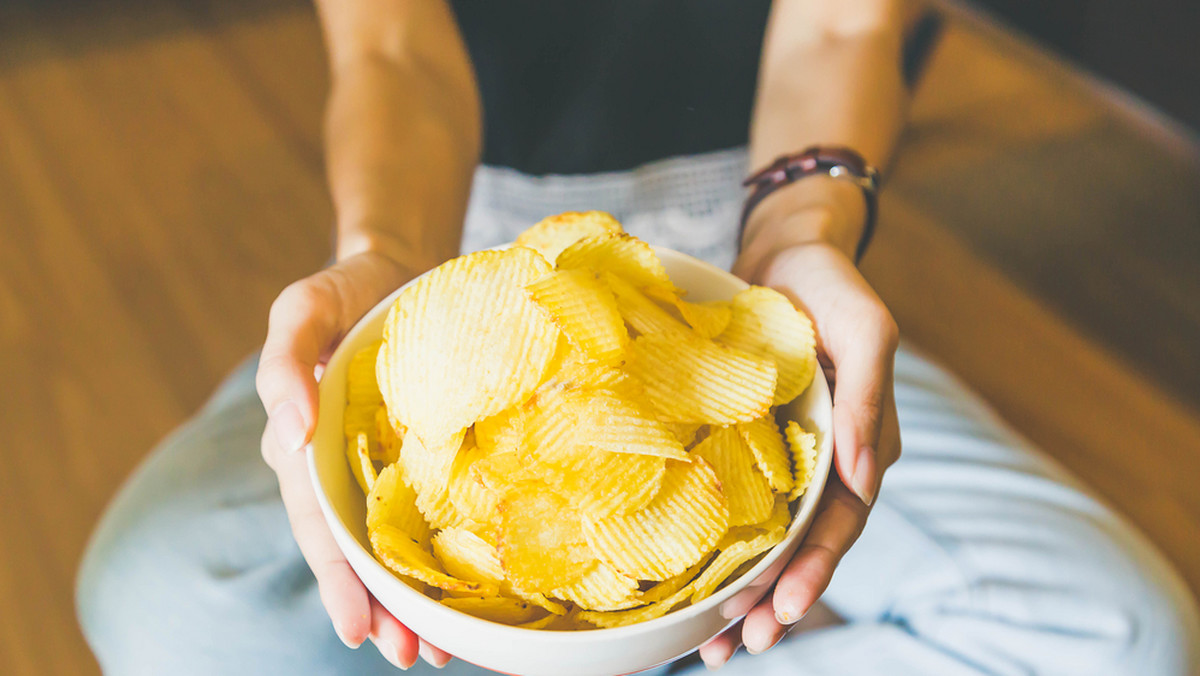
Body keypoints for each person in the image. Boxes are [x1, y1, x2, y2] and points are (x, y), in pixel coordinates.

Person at [76, 1, 1200, 674]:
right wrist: (381, 262)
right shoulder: (432, 306)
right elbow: (391, 54)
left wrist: (798, 239)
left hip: (749, 298)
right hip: (451, 277)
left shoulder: (761, 298)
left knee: (1125, 641)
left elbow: (844, 21)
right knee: (151, 588)